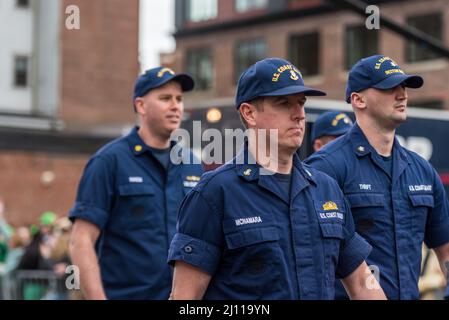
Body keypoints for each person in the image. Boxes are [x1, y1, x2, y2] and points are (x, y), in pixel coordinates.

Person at [168, 58, 386, 300]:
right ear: (249, 113)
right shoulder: (214, 193)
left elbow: (362, 283)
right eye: (284, 103)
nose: (299, 115)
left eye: (301, 103)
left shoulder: (326, 189)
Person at [305, 54, 449, 300]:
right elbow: (304, 258)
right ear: (358, 99)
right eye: (390, 88)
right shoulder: (325, 167)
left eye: (403, 87)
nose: (402, 94)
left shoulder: (422, 170)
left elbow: (445, 249)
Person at [69, 67, 204, 300]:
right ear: (141, 106)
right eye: (165, 98)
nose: (176, 106)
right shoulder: (109, 161)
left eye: (179, 99)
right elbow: (80, 241)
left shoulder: (192, 164)